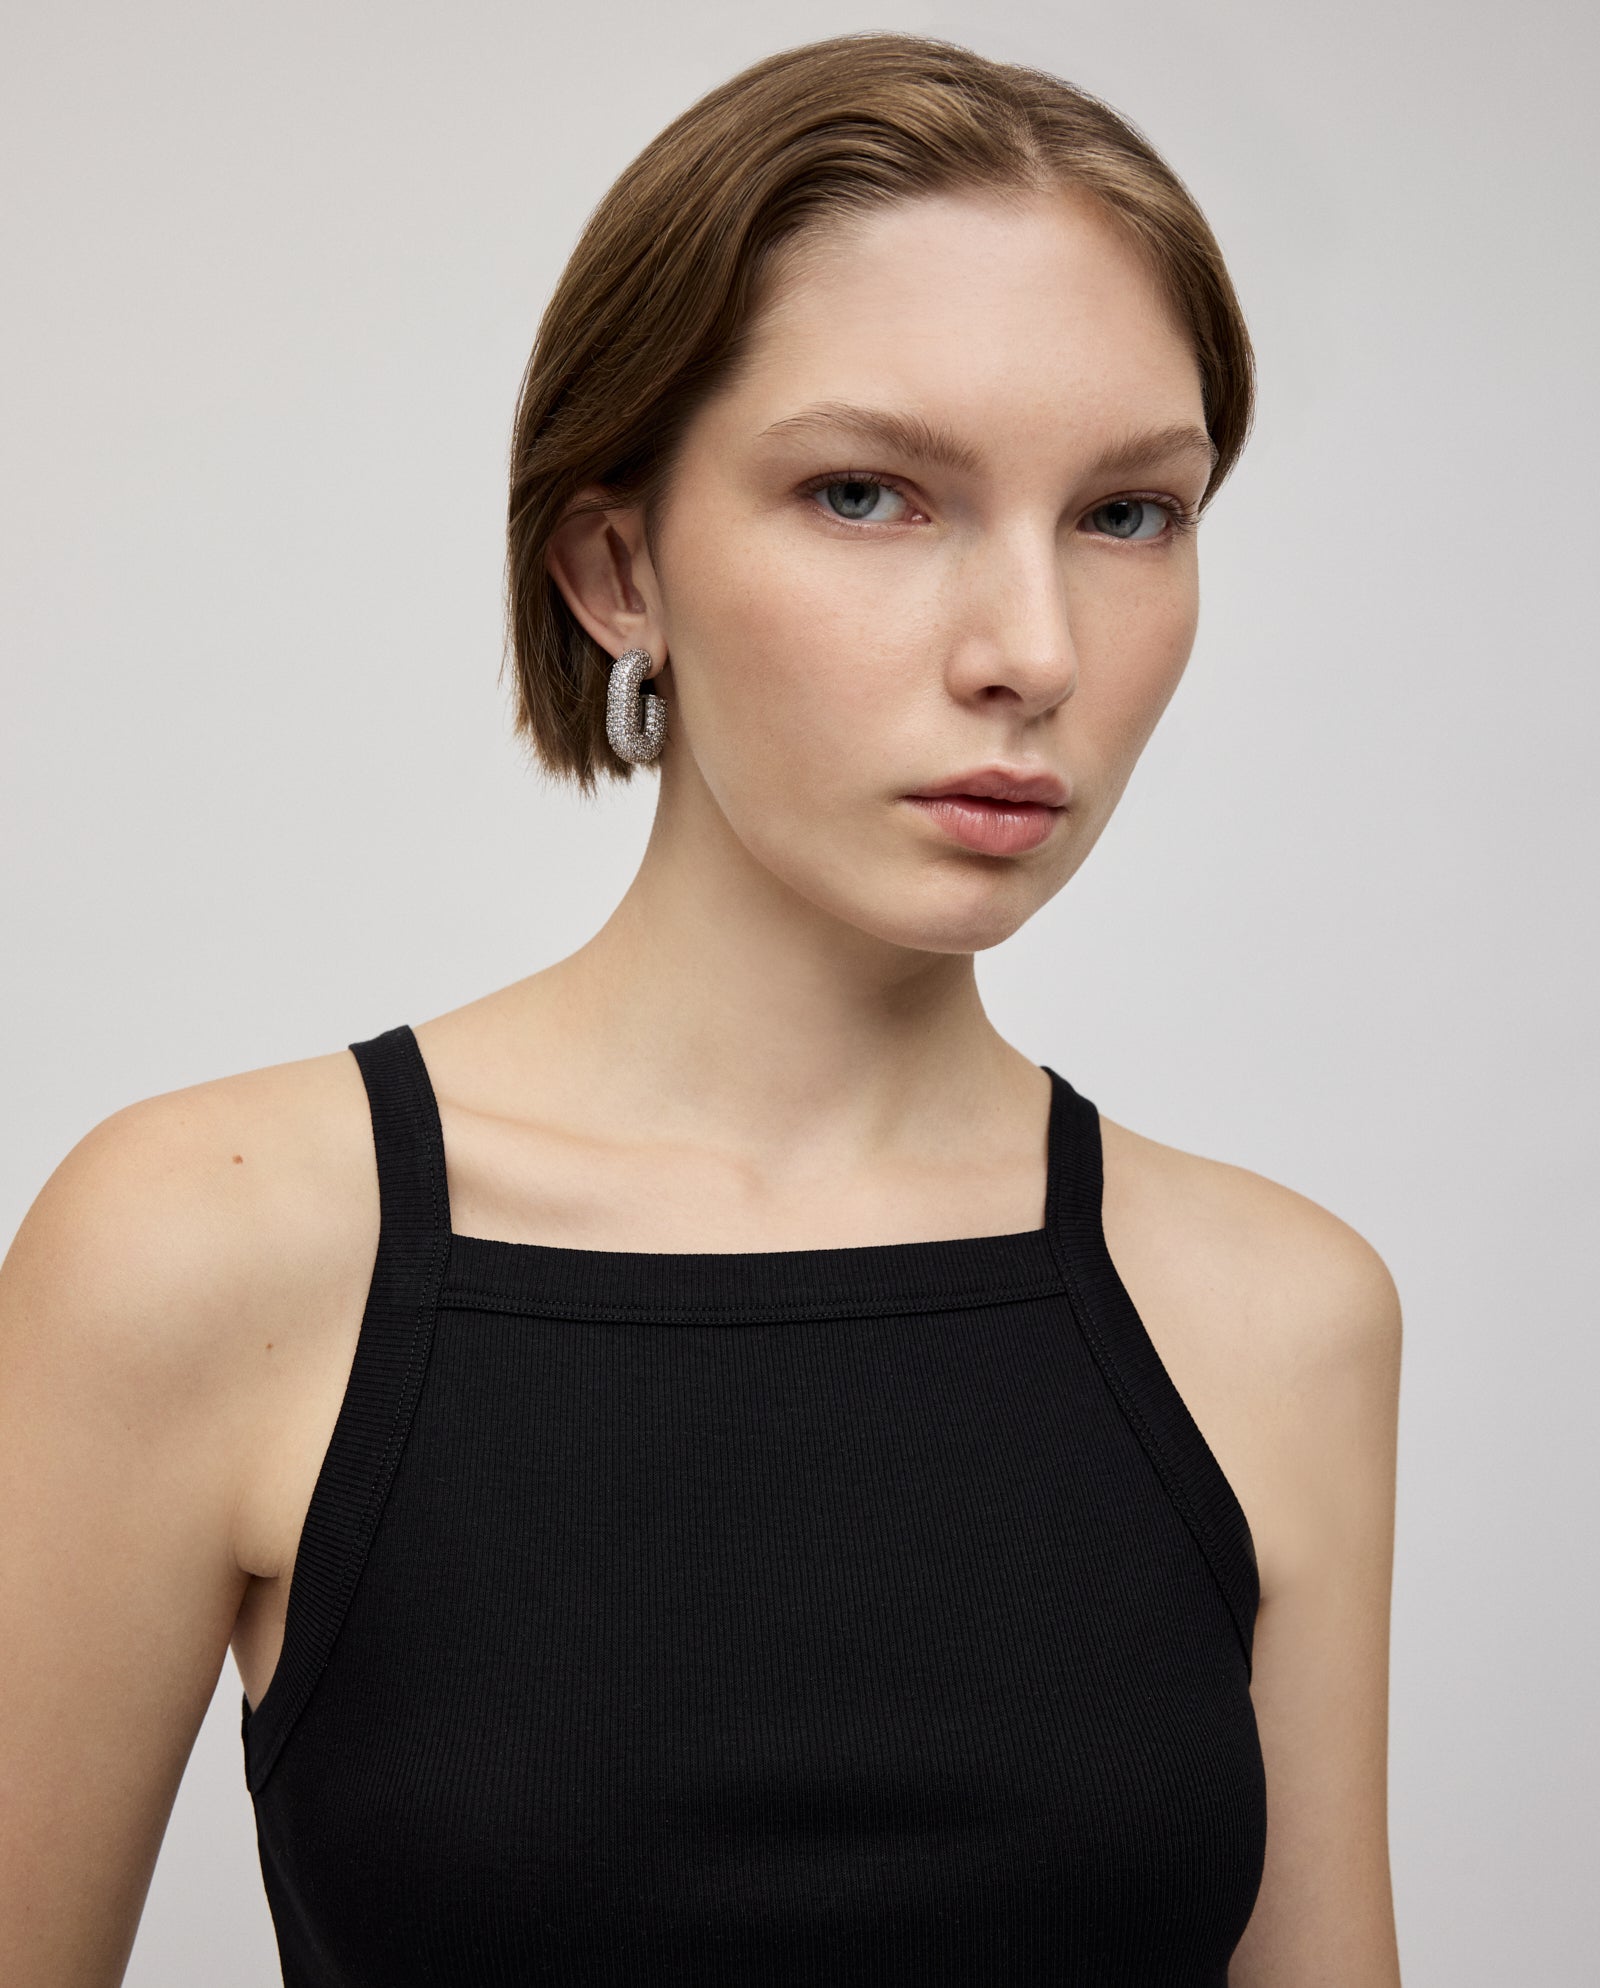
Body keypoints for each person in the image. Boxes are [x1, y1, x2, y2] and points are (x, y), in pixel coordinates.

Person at [0, 30, 1403, 1987]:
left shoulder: (1276, 1312)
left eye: (1125, 513)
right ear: (611, 565)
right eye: (865, 493)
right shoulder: (205, 1245)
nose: (1030, 650)